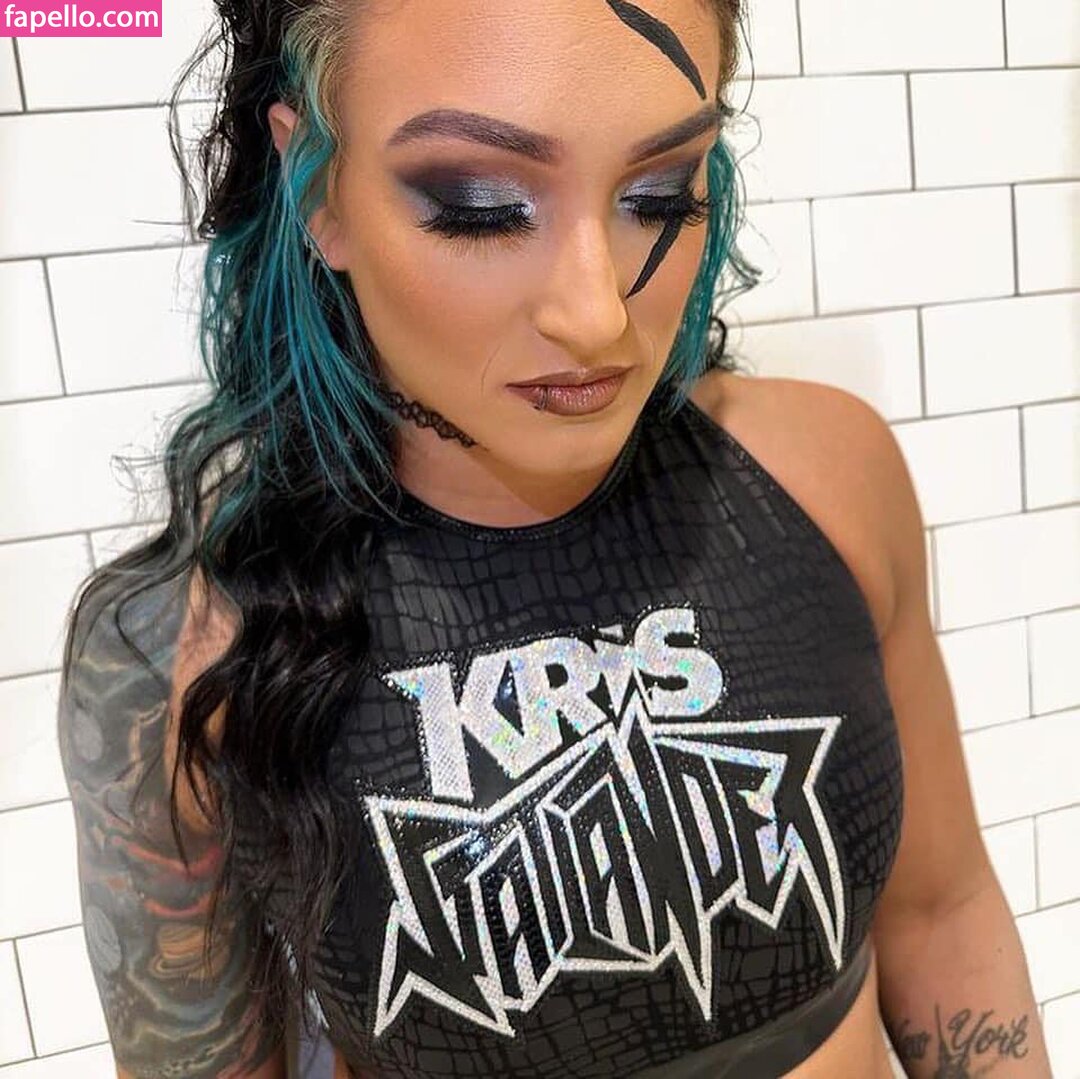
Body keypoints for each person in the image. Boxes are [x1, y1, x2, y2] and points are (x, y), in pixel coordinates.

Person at [56, 1, 1053, 1077]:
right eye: (480, 208)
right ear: (317, 189)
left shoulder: (829, 475)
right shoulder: (181, 652)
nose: (596, 314)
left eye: (659, 193)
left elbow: (943, 912)